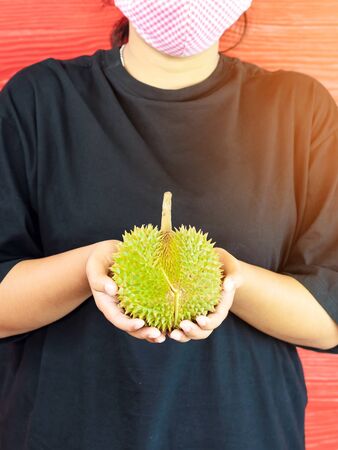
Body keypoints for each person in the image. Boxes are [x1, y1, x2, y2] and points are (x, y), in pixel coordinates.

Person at [0, 0, 337, 449]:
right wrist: (89, 269)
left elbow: (330, 315)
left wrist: (229, 279)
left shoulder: (301, 110)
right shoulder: (37, 100)